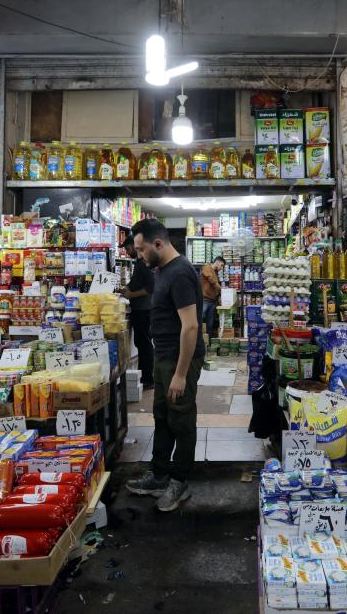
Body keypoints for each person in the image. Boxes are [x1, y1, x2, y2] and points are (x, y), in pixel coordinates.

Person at [125, 219, 205, 512]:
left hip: (179, 360)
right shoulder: (163, 270)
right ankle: (159, 475)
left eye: (141, 249)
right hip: (164, 357)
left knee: (181, 419)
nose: (139, 255)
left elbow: (191, 326)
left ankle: (179, 481)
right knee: (162, 415)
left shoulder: (180, 273)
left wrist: (181, 374)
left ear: (158, 244)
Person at [120, 236, 155, 392]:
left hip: (143, 310)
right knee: (142, 344)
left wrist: (130, 295)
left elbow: (150, 287)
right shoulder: (139, 263)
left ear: (135, 246)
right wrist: (127, 287)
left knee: (144, 344)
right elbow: (138, 283)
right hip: (141, 309)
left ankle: (148, 379)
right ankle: (145, 377)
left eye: (128, 248)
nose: (127, 252)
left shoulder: (143, 264)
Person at [199, 255, 225, 338]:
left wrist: (219, 295)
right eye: (221, 265)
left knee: (210, 324)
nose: (221, 268)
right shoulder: (207, 268)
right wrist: (223, 290)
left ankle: (208, 342)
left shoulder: (215, 272)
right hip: (205, 300)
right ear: (217, 262)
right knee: (200, 321)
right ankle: (199, 341)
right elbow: (212, 281)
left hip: (212, 301)